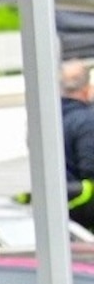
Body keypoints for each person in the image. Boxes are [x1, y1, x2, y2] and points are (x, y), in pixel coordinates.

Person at [63, 62, 94, 220]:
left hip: (57, 202)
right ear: (87, 88)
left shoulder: (44, 121)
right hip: (78, 209)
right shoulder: (87, 121)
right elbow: (90, 170)